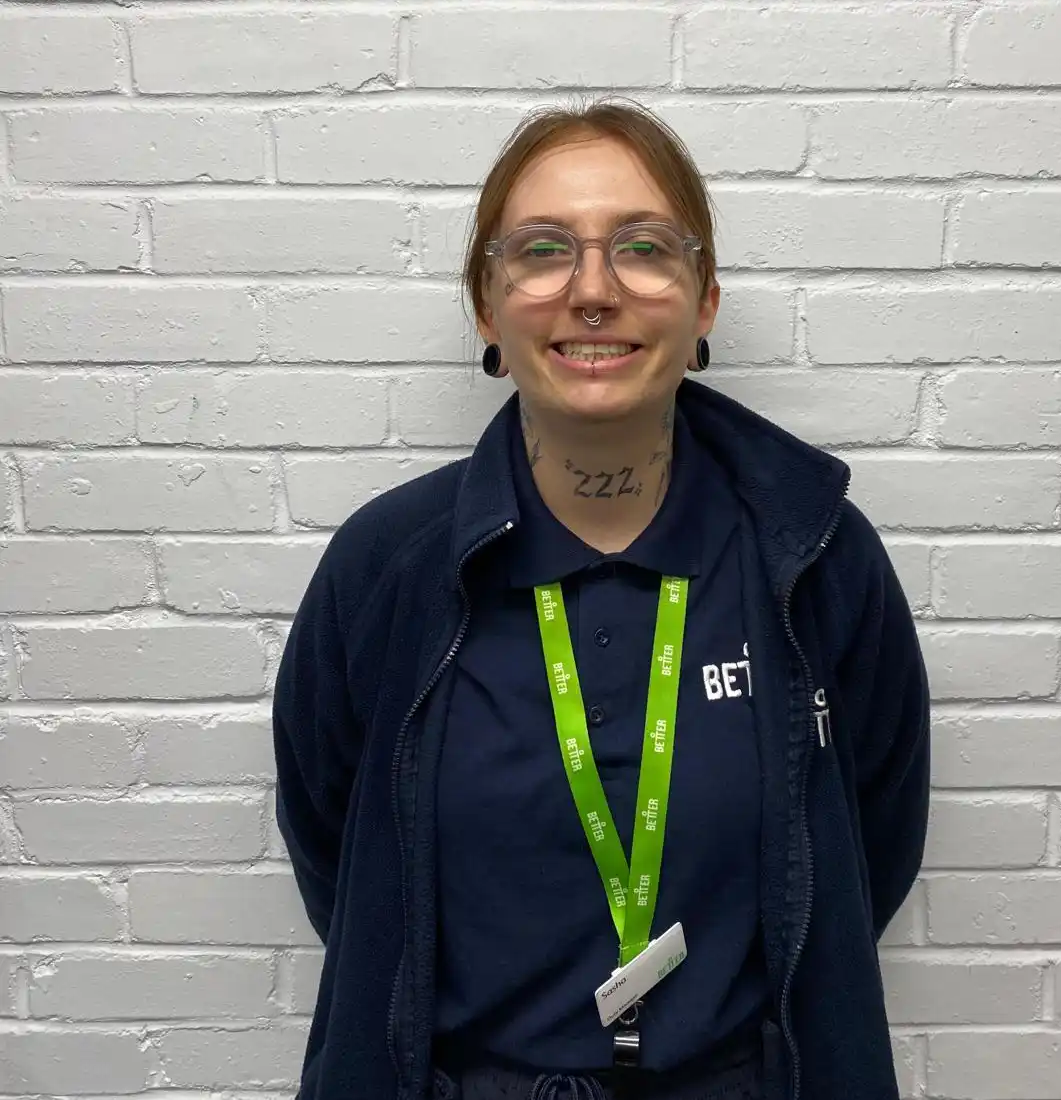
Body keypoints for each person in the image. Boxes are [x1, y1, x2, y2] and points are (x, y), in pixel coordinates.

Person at [273, 96, 931, 1100]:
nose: (593, 291)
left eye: (644, 248)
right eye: (542, 251)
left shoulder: (816, 557)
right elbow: (341, 854)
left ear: (704, 300)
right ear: (488, 306)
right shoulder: (389, 567)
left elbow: (864, 851)